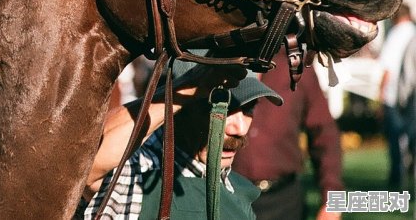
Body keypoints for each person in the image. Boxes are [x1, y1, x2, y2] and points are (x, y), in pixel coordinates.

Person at [80, 63, 282, 219]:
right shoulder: (140, 171)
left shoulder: (238, 190)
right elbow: (86, 166)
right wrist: (187, 86)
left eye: (248, 109)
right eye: (222, 110)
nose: (240, 129)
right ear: (181, 106)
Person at [232, 48, 344, 220]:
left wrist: (333, 203)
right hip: (229, 198)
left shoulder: (296, 65)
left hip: (285, 201)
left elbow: (325, 134)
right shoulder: (221, 59)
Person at [377, 4, 416, 191]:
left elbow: (388, 69)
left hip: (394, 96)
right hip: (412, 96)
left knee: (397, 141)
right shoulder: (413, 33)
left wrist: (381, 95)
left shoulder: (395, 35)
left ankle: (398, 181)